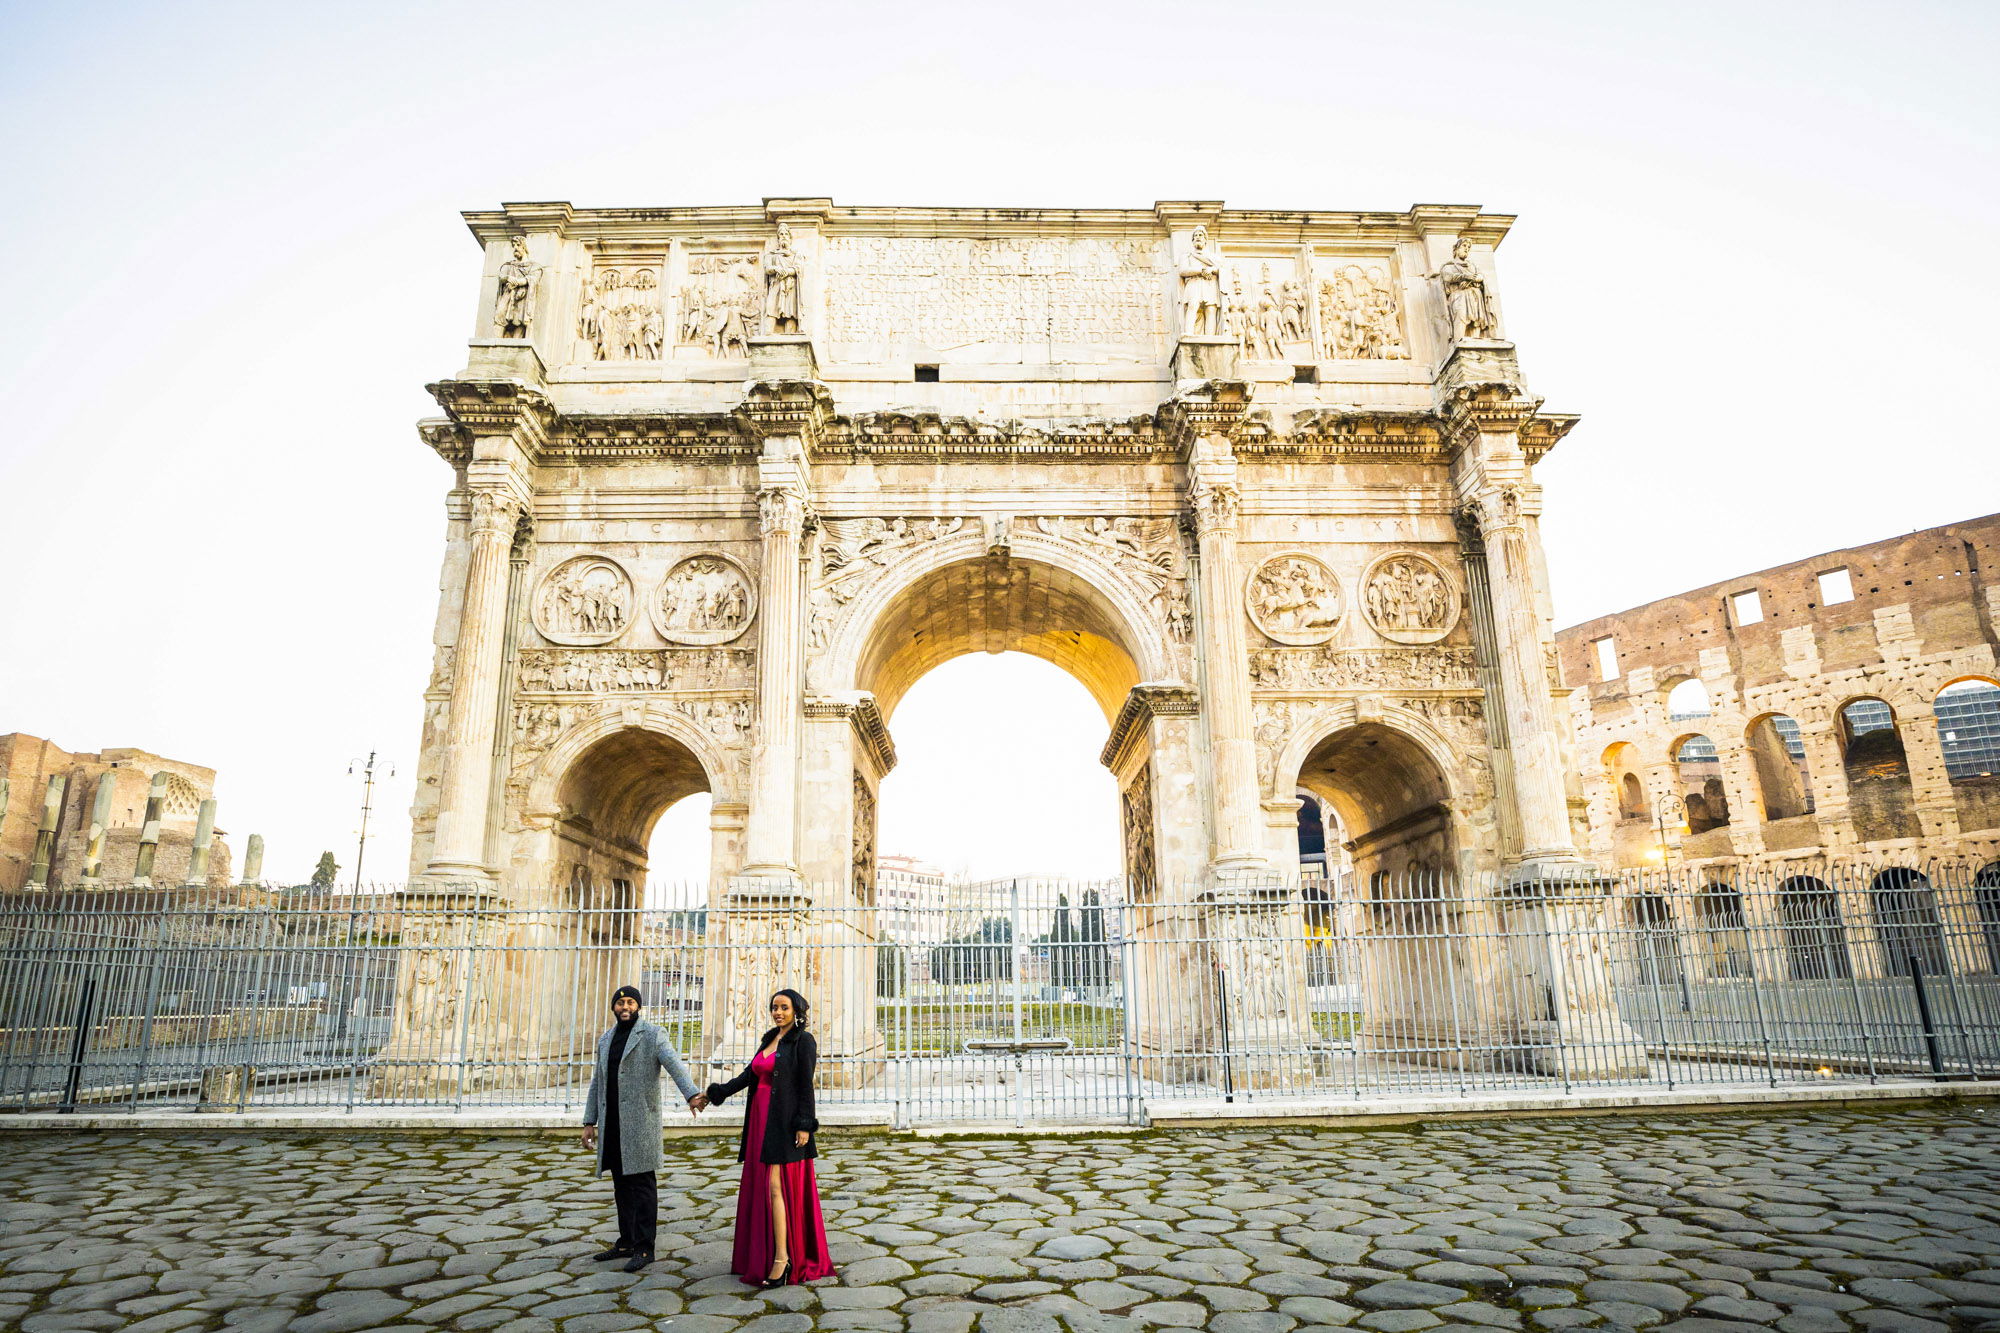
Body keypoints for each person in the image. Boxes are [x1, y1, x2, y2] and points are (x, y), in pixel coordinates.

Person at [698, 989, 835, 1287]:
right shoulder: (768, 1039)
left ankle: (782, 1259)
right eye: (775, 1007)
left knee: (776, 1188)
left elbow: (805, 1087)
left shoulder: (803, 1041)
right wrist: (713, 1093)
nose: (778, 1012)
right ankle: (764, 1254)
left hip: (783, 1122)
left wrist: (804, 1125)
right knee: (763, 1187)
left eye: (784, 1007)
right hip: (760, 1121)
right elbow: (749, 1076)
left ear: (796, 1010)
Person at [581, 984, 702, 1272]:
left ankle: (645, 1247)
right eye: (620, 1002)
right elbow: (598, 1081)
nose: (625, 1007)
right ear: (613, 1007)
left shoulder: (651, 1034)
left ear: (639, 1006)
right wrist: (589, 1121)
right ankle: (626, 1241)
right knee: (621, 1184)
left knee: (642, 1185)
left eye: (630, 1002)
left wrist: (692, 1094)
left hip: (639, 1122)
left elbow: (674, 1063)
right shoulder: (606, 1039)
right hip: (612, 1122)